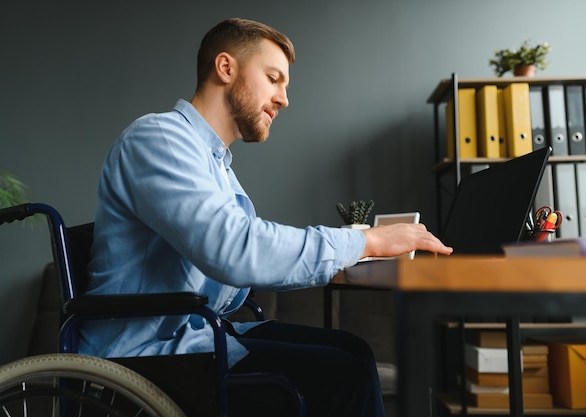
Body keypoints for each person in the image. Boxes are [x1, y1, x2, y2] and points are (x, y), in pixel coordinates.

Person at [81, 17, 452, 417]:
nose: (284, 98)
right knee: (345, 372)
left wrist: (349, 262)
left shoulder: (215, 164)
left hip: (194, 337)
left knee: (354, 351)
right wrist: (369, 241)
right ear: (226, 68)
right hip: (141, 357)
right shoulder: (159, 139)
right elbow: (238, 250)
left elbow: (245, 256)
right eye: (274, 78)